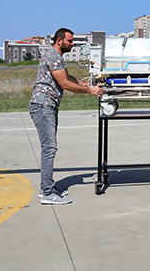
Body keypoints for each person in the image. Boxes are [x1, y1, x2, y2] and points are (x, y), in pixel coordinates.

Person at [30, 28, 102, 205]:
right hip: (43, 105)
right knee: (49, 148)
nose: (72, 44)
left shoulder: (56, 57)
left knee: (49, 147)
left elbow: (68, 77)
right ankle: (47, 192)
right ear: (59, 41)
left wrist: (87, 84)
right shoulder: (53, 56)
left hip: (47, 106)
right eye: (70, 41)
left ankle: (46, 187)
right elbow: (64, 84)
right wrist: (89, 91)